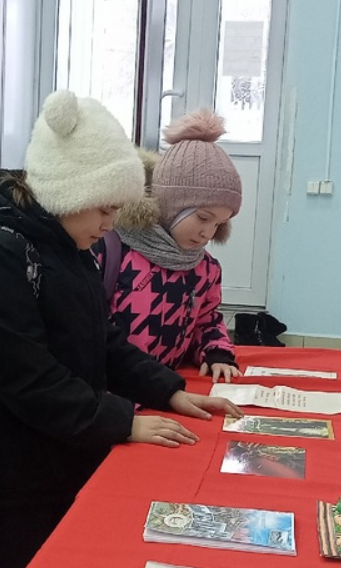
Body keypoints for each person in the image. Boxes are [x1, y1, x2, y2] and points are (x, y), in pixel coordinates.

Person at [0, 90, 240, 568]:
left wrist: (168, 389)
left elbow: (104, 342)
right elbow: (25, 375)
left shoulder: (73, 248)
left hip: (66, 455)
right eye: (102, 207)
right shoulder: (1, 254)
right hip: (17, 477)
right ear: (67, 191)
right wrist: (121, 421)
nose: (111, 223)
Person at [103, 109, 242, 382]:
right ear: (170, 205)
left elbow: (207, 320)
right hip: (117, 384)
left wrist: (217, 353)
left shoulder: (205, 269)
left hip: (167, 384)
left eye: (218, 224)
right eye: (203, 217)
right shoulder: (114, 253)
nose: (207, 233)